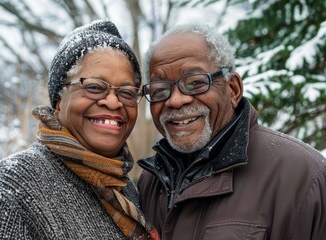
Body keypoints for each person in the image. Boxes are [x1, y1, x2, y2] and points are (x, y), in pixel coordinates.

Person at [0, 20, 159, 240]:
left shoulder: (126, 191)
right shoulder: (10, 191)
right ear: (58, 101)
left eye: (126, 92)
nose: (114, 102)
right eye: (94, 87)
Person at [137, 23, 326, 240]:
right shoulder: (151, 182)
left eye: (195, 83)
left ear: (233, 89)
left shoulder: (303, 176)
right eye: (160, 90)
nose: (176, 100)